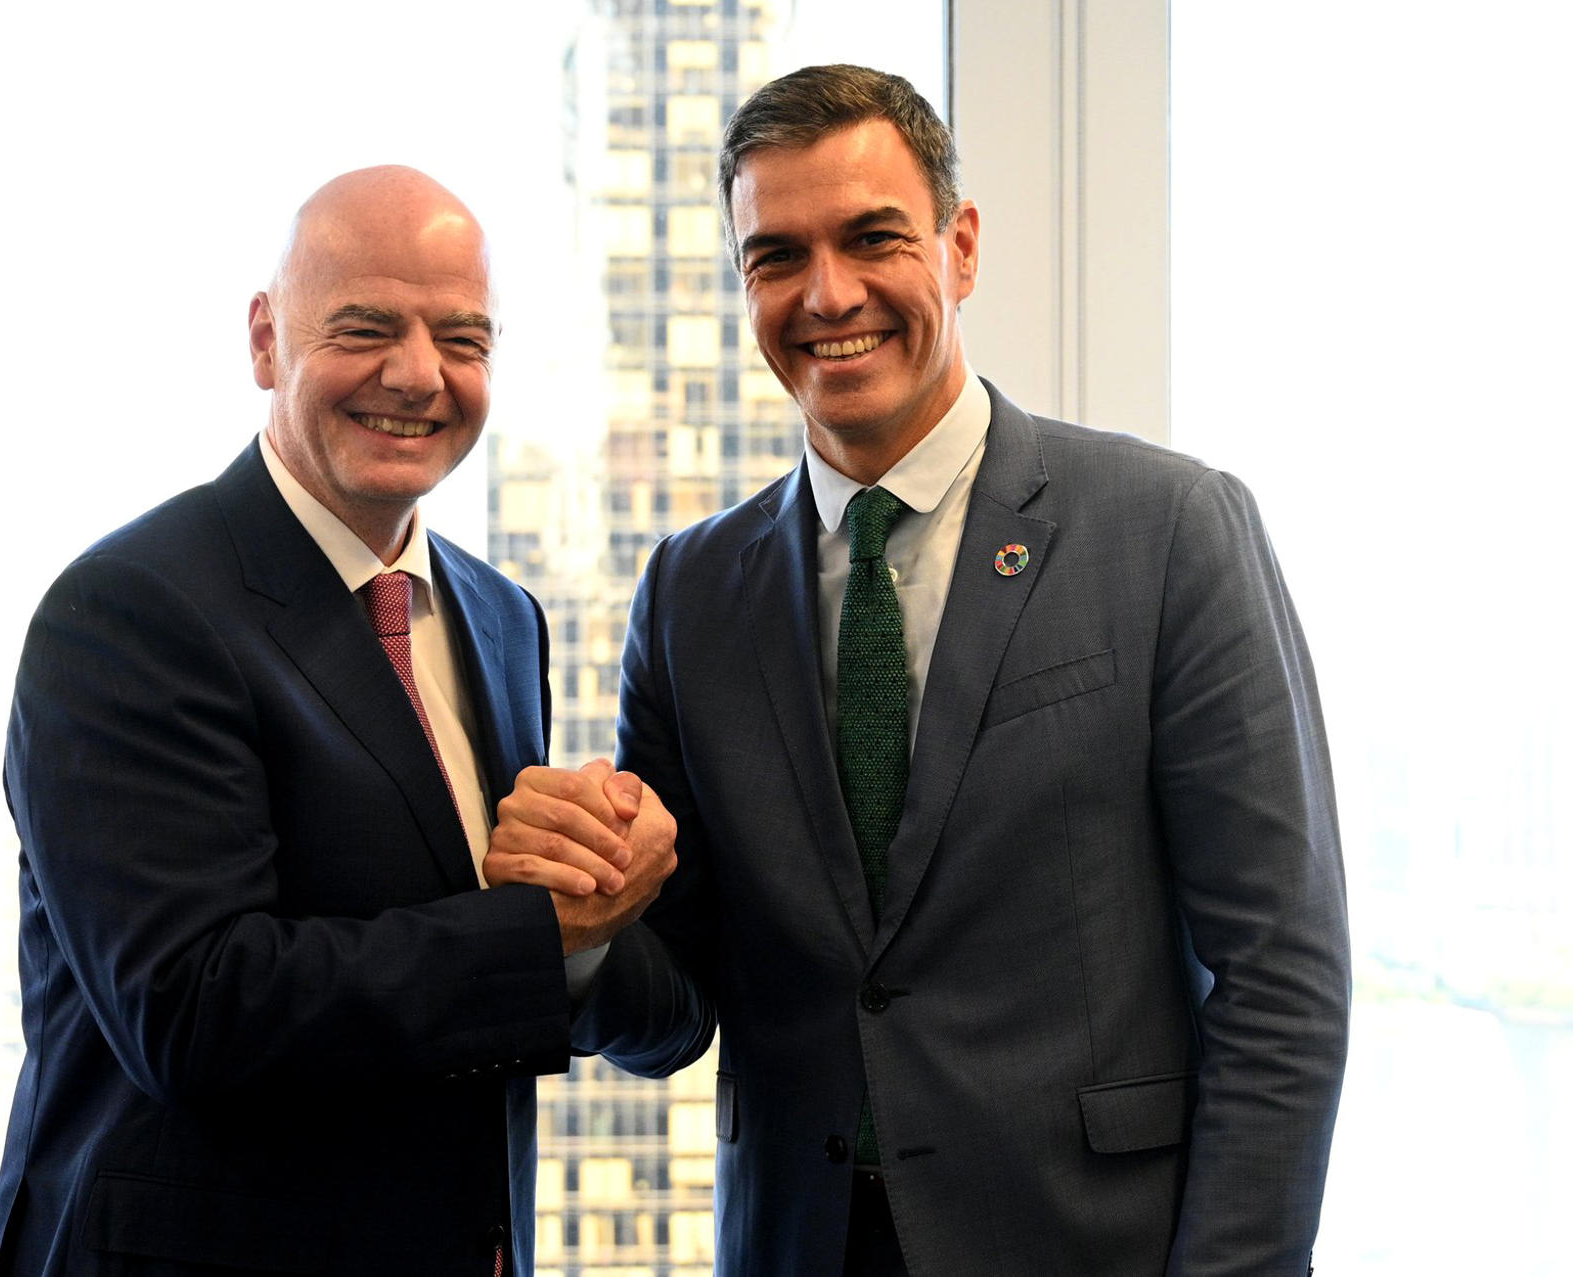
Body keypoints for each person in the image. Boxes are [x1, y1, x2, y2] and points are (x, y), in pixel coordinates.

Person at [492, 65, 1350, 1276]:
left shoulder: (1170, 529)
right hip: (797, 1243)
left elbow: (1282, 973)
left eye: (871, 237)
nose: (827, 292)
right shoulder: (691, 591)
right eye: (776, 255)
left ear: (960, 246)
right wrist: (575, 922)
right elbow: (671, 1005)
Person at [0, 166, 685, 1277]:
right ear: (265, 341)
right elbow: (198, 1011)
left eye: (463, 338)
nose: (418, 374)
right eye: (366, 328)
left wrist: (601, 897)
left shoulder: (502, 618)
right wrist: (541, 928)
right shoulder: (127, 609)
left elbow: (572, 973)